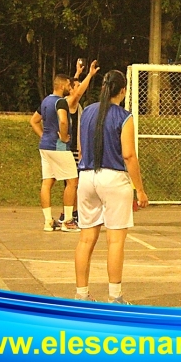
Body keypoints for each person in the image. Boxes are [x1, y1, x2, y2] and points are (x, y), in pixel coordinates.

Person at [74, 70, 149, 304]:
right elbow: (128, 155)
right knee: (115, 241)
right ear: (123, 91)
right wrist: (140, 189)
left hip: (86, 176)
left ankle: (81, 295)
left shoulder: (86, 111)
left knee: (86, 239)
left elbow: (80, 147)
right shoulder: (124, 117)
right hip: (113, 178)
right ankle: (115, 297)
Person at [30, 74, 80, 232]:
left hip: (45, 146)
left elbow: (34, 121)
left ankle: (48, 221)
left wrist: (43, 136)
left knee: (47, 182)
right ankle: (68, 221)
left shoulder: (46, 101)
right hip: (58, 147)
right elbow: (63, 121)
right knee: (73, 181)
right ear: (62, 84)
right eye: (68, 84)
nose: (70, 87)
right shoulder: (61, 102)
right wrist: (64, 137)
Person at [58, 59, 100, 227]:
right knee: (73, 183)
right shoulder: (70, 101)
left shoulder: (68, 101)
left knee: (72, 184)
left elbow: (74, 86)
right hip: (71, 148)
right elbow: (77, 91)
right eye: (76, 85)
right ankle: (68, 216)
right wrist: (89, 74)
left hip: (74, 148)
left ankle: (70, 213)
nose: (79, 86)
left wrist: (77, 73)